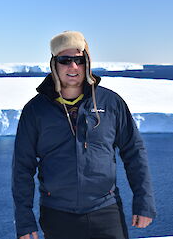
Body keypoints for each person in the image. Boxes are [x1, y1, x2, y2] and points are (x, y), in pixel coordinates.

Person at [12, 31, 156, 239]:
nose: (73, 67)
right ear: (54, 64)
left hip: (106, 212)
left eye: (79, 60)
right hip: (57, 214)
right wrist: (24, 220)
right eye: (65, 60)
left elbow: (134, 152)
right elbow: (22, 168)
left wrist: (144, 202)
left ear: (87, 62)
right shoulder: (36, 110)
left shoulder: (110, 103)